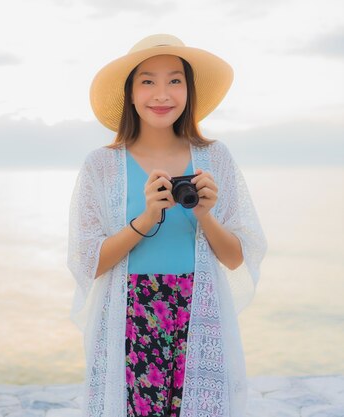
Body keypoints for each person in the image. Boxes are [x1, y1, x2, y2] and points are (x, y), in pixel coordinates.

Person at [67, 34, 267, 417]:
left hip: (199, 307)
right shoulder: (101, 165)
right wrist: (144, 220)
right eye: (148, 81)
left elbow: (236, 257)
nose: (163, 94)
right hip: (130, 312)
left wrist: (205, 214)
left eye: (175, 80)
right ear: (129, 92)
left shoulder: (214, 157)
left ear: (189, 91)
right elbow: (89, 261)